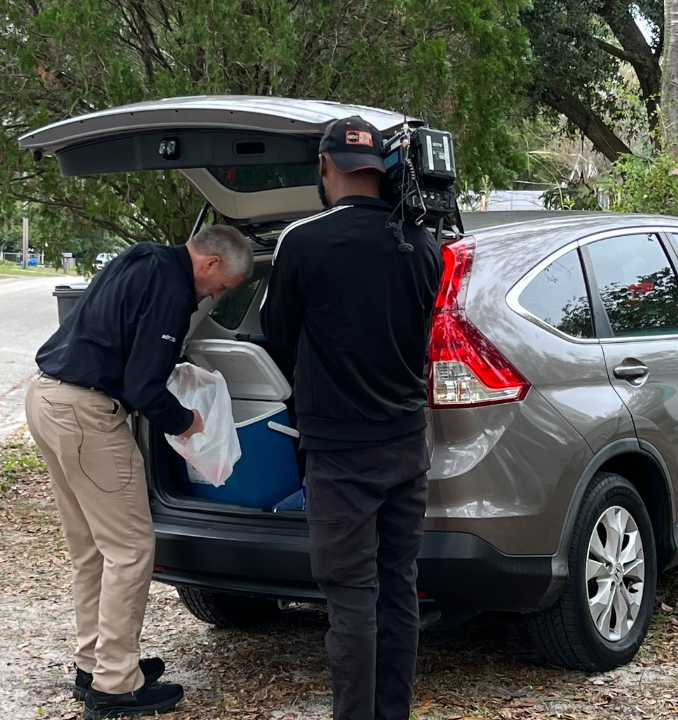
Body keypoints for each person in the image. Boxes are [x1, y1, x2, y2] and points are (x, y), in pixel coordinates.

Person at [26, 225, 252, 719]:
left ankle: (97, 664)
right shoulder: (172, 290)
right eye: (223, 285)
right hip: (87, 415)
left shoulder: (143, 258)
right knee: (130, 548)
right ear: (211, 263)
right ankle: (114, 686)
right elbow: (144, 386)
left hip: (47, 399)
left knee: (92, 547)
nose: (217, 294)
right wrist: (188, 423)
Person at [260, 116, 442, 720]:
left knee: (351, 601)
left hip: (340, 452)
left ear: (326, 166)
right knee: (397, 589)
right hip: (406, 445)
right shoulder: (423, 246)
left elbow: (276, 335)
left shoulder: (302, 241)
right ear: (378, 169)